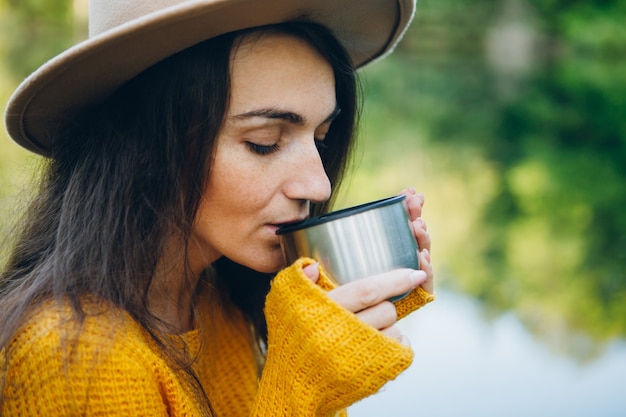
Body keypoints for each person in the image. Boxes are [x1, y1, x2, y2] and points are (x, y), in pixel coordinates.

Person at [0, 0, 434, 415]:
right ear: (148, 145)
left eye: (321, 138)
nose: (318, 185)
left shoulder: (218, 303)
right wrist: (302, 386)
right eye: (264, 143)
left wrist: (336, 343)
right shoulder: (73, 358)